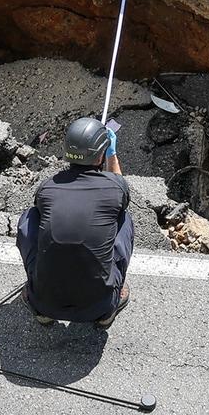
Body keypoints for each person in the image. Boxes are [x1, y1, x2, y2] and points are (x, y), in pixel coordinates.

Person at [17, 117, 133, 329]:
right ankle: (108, 310)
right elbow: (120, 189)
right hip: (99, 305)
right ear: (101, 153)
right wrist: (112, 154)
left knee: (30, 217)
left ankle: (39, 303)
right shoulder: (114, 188)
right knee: (124, 220)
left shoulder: (48, 188)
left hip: (43, 302)